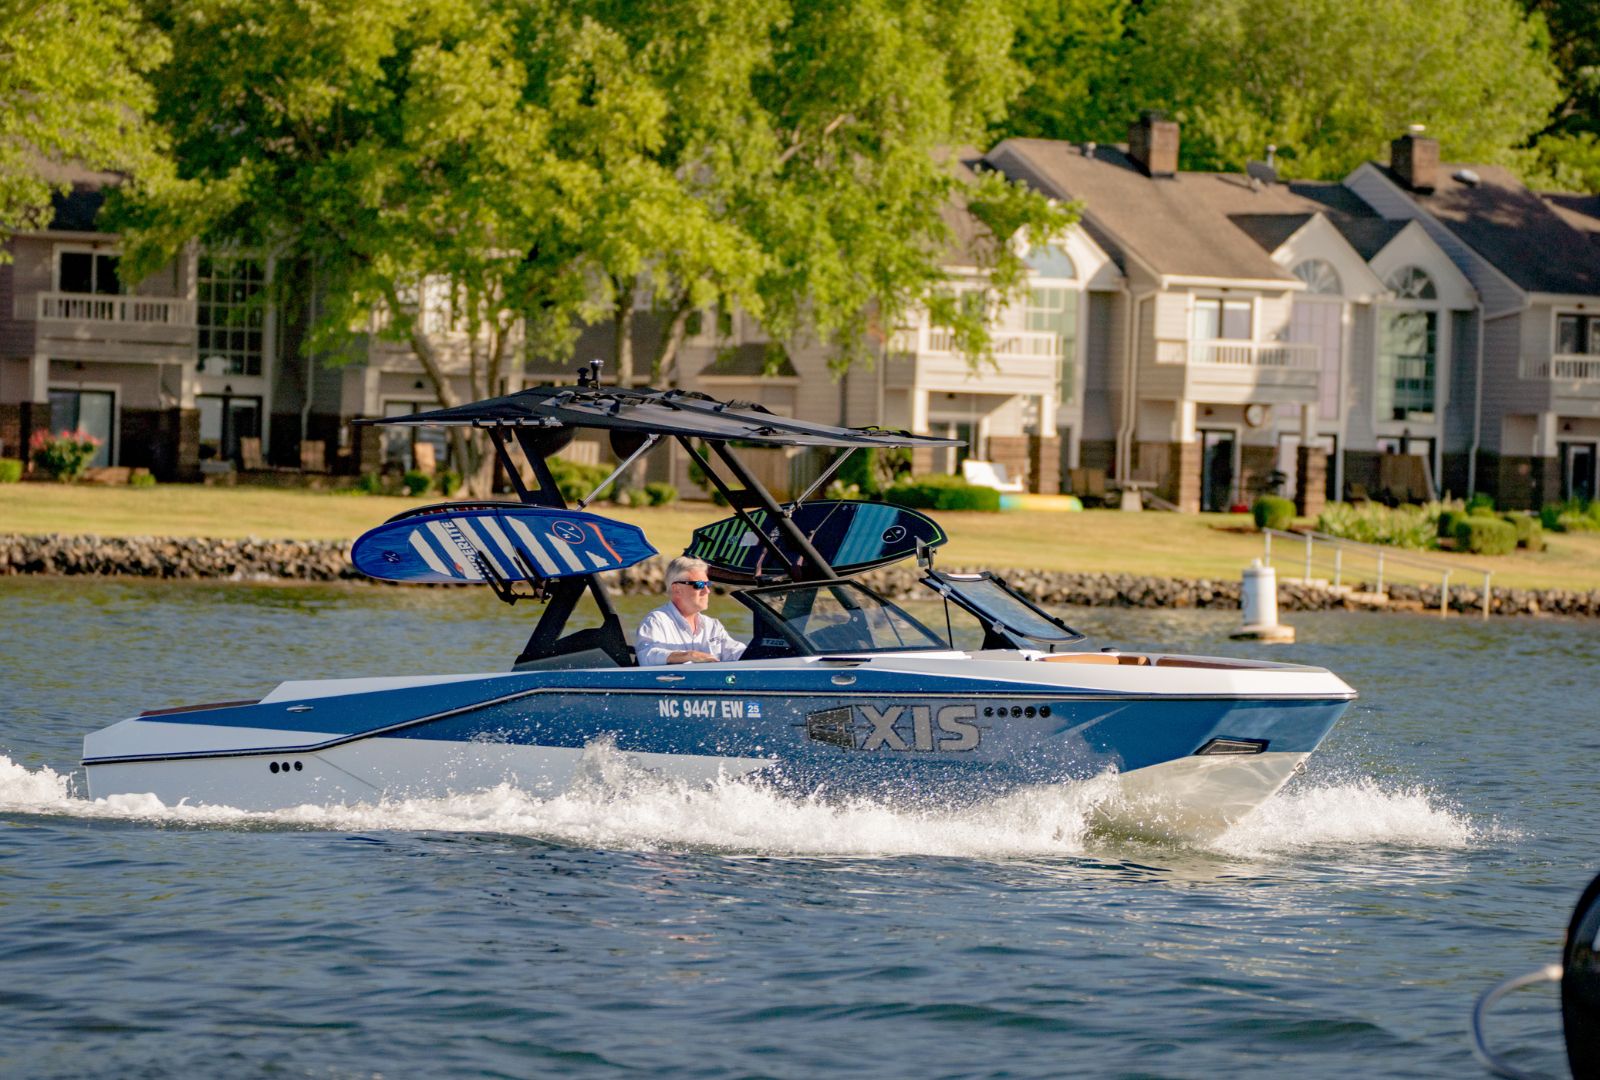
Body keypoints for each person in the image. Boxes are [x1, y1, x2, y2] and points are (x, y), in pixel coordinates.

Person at [635, 555, 748, 666]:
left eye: (708, 584)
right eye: (699, 584)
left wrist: (757, 652)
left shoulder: (712, 625)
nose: (707, 591)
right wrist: (690, 655)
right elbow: (647, 656)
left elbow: (736, 652)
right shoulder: (656, 620)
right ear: (677, 589)